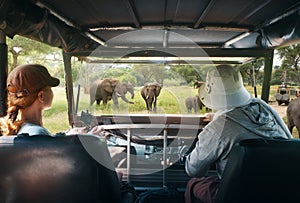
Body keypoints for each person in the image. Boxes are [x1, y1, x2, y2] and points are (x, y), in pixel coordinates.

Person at [184, 65, 292, 203]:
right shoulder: (265, 108)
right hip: (279, 192)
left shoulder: (217, 129)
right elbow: (288, 139)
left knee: (194, 183)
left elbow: (194, 170)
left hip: (237, 194)